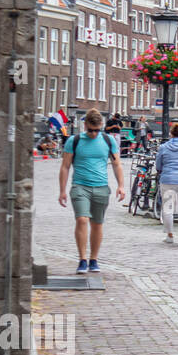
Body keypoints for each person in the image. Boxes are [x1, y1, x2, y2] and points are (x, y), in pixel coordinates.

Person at [59, 108, 126, 273]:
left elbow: (117, 164)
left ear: (102, 126)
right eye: (91, 130)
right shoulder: (73, 141)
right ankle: (82, 259)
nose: (94, 134)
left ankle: (93, 259)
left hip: (101, 187)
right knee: (82, 219)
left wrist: (121, 186)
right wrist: (62, 190)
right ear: (85, 125)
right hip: (80, 186)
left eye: (97, 130)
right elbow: (65, 167)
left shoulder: (108, 140)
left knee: (97, 224)